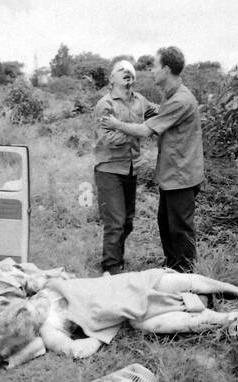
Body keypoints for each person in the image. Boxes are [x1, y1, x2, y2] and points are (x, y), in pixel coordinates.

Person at [101, 46, 204, 272]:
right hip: (170, 173)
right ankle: (172, 267)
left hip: (182, 174)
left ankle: (185, 273)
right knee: (166, 224)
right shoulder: (170, 95)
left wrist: (118, 125)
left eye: (155, 66)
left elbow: (147, 130)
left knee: (179, 228)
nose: (151, 71)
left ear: (166, 69)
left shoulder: (179, 100)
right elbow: (158, 113)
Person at [92, 60, 156, 274]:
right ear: (111, 79)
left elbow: (160, 116)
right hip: (109, 169)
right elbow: (109, 139)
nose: (128, 72)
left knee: (127, 221)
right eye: (122, 70)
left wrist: (126, 127)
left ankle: (116, 259)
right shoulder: (105, 104)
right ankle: (110, 266)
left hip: (131, 168)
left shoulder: (140, 101)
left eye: (131, 71)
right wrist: (140, 130)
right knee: (116, 221)